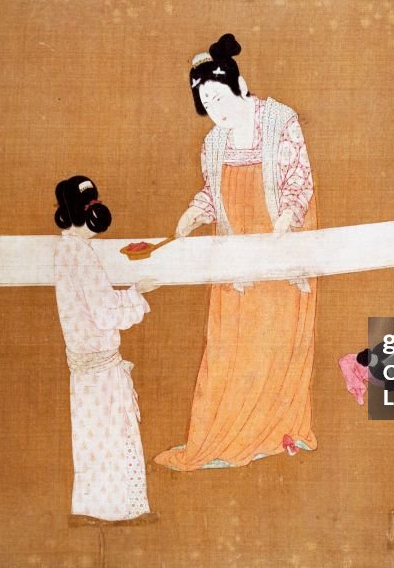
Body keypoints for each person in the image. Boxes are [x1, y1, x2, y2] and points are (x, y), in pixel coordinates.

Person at [154, 34, 318, 470]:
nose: (215, 109)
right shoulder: (213, 143)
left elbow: (299, 181)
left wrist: (284, 222)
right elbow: (215, 193)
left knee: (278, 340)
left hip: (282, 244)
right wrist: (194, 211)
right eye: (206, 103)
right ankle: (226, 436)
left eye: (218, 97)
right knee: (232, 344)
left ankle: (279, 429)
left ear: (239, 86)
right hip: (237, 251)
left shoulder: (280, 120)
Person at [52, 175, 159, 521]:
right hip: (99, 367)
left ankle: (92, 505)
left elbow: (93, 304)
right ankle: (114, 508)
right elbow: (104, 313)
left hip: (84, 366)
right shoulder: (80, 255)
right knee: (111, 435)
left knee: (91, 438)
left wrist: (128, 293)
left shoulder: (67, 247)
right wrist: (137, 293)